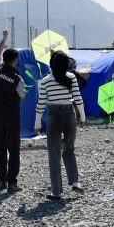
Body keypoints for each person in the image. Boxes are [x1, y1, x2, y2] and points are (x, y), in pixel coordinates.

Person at [35, 51, 86, 200]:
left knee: (54, 154)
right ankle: (75, 182)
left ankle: (56, 192)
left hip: (54, 115)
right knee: (69, 149)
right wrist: (82, 117)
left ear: (51, 64)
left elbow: (41, 104)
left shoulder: (45, 81)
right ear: (66, 64)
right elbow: (78, 99)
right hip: (69, 114)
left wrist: (37, 123)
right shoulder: (71, 78)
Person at [0, 29, 25, 192]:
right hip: (12, 117)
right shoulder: (18, 79)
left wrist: (5, 38)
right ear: (15, 60)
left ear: (4, 59)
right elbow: (21, 97)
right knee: (14, 149)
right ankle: (12, 183)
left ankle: (2, 181)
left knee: (1, 148)